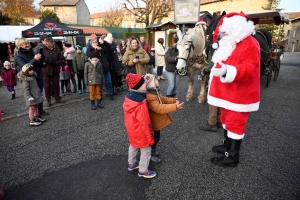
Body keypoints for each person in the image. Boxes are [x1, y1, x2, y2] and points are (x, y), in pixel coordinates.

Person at [207, 12, 260, 167]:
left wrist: (228, 71)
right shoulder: (232, 43)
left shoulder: (249, 43)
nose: (222, 35)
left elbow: (250, 68)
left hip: (240, 95)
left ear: (235, 29)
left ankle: (231, 157)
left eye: (225, 32)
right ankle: (226, 146)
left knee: (235, 124)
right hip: (227, 94)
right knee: (226, 120)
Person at [144, 73, 184, 163]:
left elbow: (163, 100)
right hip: (153, 122)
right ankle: (150, 153)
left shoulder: (155, 92)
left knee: (156, 137)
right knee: (153, 138)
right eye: (155, 80)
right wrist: (175, 106)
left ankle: (152, 150)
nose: (157, 81)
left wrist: (173, 100)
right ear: (150, 84)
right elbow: (159, 108)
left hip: (155, 122)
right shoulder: (150, 96)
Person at [123, 73, 156, 178]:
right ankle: (143, 170)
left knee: (133, 145)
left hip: (131, 129)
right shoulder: (141, 102)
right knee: (146, 150)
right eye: (143, 84)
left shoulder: (129, 97)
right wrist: (149, 136)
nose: (145, 84)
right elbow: (144, 121)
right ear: (138, 87)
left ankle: (131, 163)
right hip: (141, 131)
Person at [15, 38, 49, 116]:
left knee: (40, 94)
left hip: (39, 75)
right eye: (25, 44)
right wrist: (34, 59)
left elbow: (38, 64)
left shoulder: (33, 52)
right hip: (29, 79)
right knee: (33, 95)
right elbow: (25, 67)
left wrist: (42, 59)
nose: (28, 45)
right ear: (20, 45)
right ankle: (35, 114)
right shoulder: (19, 56)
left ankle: (41, 110)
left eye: (28, 43)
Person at [42, 37, 66, 107]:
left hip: (55, 70)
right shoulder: (43, 49)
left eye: (48, 44)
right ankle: (48, 99)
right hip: (46, 70)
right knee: (47, 86)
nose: (47, 45)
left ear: (52, 43)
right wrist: (46, 61)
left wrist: (55, 63)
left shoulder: (57, 49)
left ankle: (57, 98)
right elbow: (41, 58)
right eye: (46, 44)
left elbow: (61, 59)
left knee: (56, 84)